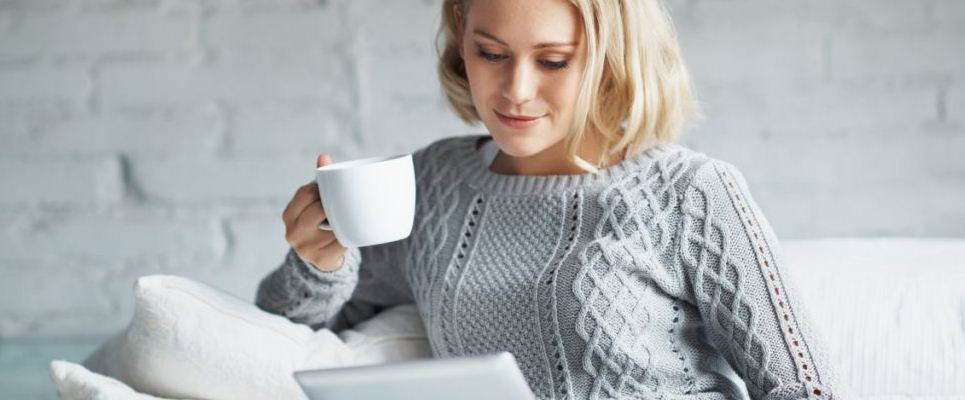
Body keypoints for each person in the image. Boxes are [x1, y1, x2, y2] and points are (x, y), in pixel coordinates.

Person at [256, 0, 839, 398]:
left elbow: (804, 389)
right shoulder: (433, 185)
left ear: (613, 58)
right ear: (461, 36)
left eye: (554, 61)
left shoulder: (690, 193)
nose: (516, 90)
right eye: (491, 53)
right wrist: (318, 262)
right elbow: (283, 333)